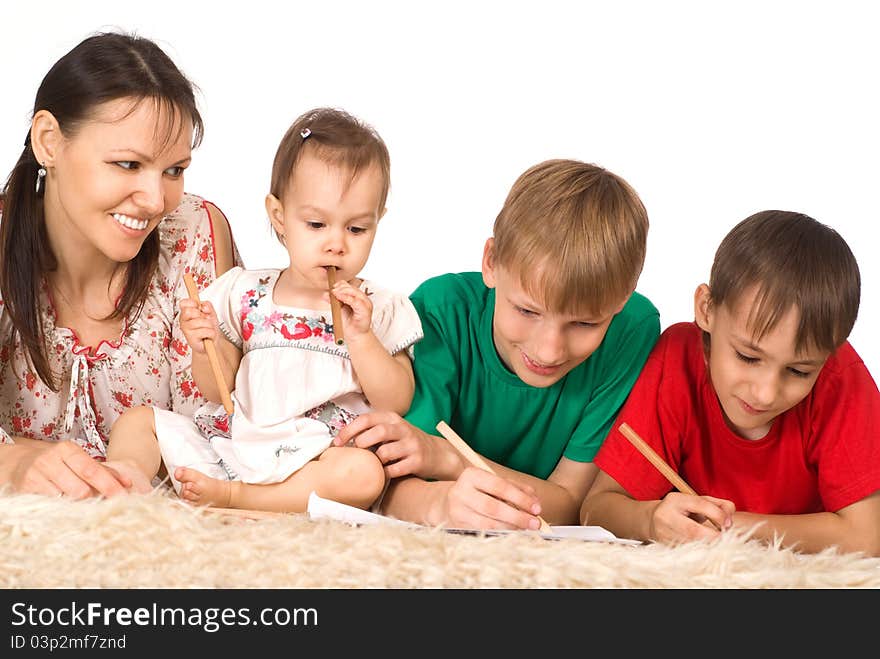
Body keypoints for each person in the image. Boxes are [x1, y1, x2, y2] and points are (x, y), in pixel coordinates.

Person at [107, 108, 423, 513]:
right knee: (137, 421)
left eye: (356, 229)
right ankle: (122, 485)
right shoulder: (244, 291)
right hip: (233, 443)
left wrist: (361, 337)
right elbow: (216, 389)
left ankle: (241, 500)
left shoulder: (378, 306)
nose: (336, 244)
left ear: (378, 222)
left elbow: (396, 399)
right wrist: (206, 346)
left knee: (365, 474)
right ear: (279, 216)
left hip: (316, 457)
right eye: (316, 225)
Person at [336, 159, 660, 530]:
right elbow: (391, 484)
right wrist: (439, 503)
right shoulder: (443, 312)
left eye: (584, 323)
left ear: (624, 297)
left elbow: (572, 505)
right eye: (526, 310)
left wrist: (449, 459)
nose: (549, 350)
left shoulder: (632, 329)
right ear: (491, 262)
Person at [0, 31, 238, 498]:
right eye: (128, 164)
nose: (155, 201)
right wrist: (12, 461)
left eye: (174, 170)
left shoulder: (193, 232)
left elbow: (220, 427)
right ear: (49, 141)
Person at [580, 210, 880, 556]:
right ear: (706, 309)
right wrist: (650, 520)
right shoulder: (677, 360)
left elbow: (868, 536)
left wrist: (730, 527)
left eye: (799, 372)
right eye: (748, 357)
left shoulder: (840, 375)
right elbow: (597, 508)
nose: (766, 393)